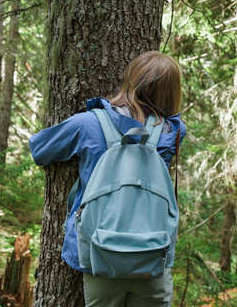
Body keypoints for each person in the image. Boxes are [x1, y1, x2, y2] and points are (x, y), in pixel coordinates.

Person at [29, 51, 186, 307]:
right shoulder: (173, 133)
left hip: (100, 254)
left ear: (131, 80)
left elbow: (40, 149)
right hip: (153, 255)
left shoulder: (87, 124)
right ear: (171, 92)